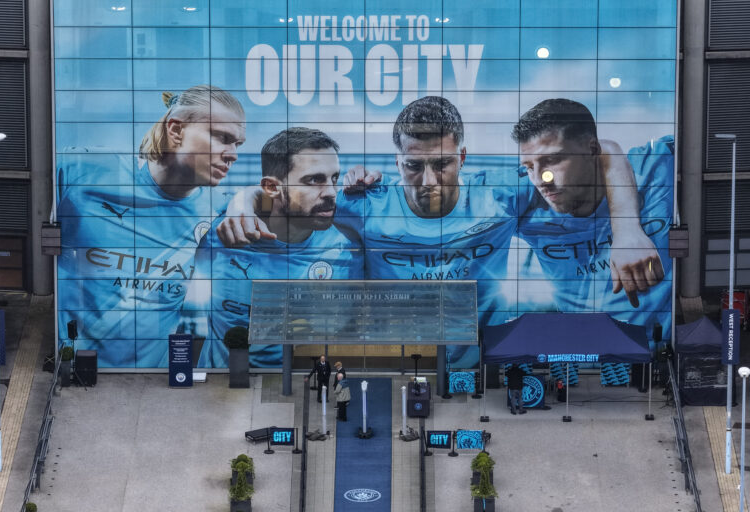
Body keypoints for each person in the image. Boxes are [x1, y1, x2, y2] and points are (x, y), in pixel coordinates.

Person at [216, 97, 652, 368]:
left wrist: (629, 232)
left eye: (441, 164)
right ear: (397, 162)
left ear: (462, 157)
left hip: (478, 367)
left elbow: (607, 152)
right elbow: (286, 193)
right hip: (390, 363)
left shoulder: (499, 195)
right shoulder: (365, 203)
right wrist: (241, 201)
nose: (427, 181)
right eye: (413, 166)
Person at [57, 85, 246, 368]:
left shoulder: (221, 211)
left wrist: (248, 199)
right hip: (74, 370)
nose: (233, 154)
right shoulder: (83, 170)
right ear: (176, 130)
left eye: (237, 144)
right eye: (222, 138)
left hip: (153, 382)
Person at [195, 127, 364, 367]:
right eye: (314, 180)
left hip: (299, 382)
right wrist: (242, 200)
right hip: (220, 382)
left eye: (334, 178)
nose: (330, 192)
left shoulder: (348, 247)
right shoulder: (219, 230)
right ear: (272, 187)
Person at [513, 99, 673, 346]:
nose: (541, 179)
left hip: (660, 353)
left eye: (552, 160)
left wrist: (628, 229)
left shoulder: (653, 168)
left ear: (591, 149)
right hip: (582, 354)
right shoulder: (524, 204)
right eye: (528, 167)